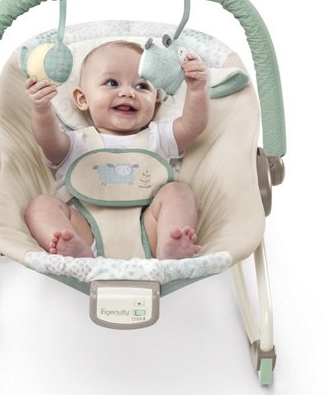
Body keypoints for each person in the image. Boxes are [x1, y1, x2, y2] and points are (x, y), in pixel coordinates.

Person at [24, 40, 209, 259]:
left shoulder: (158, 137)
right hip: (86, 232)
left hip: (148, 233)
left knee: (180, 192)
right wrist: (42, 109)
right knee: (40, 206)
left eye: (142, 86)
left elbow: (192, 125)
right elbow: (48, 141)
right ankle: (72, 250)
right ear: (82, 99)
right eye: (112, 83)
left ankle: (171, 243)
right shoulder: (76, 143)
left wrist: (196, 90)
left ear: (156, 105)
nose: (128, 92)